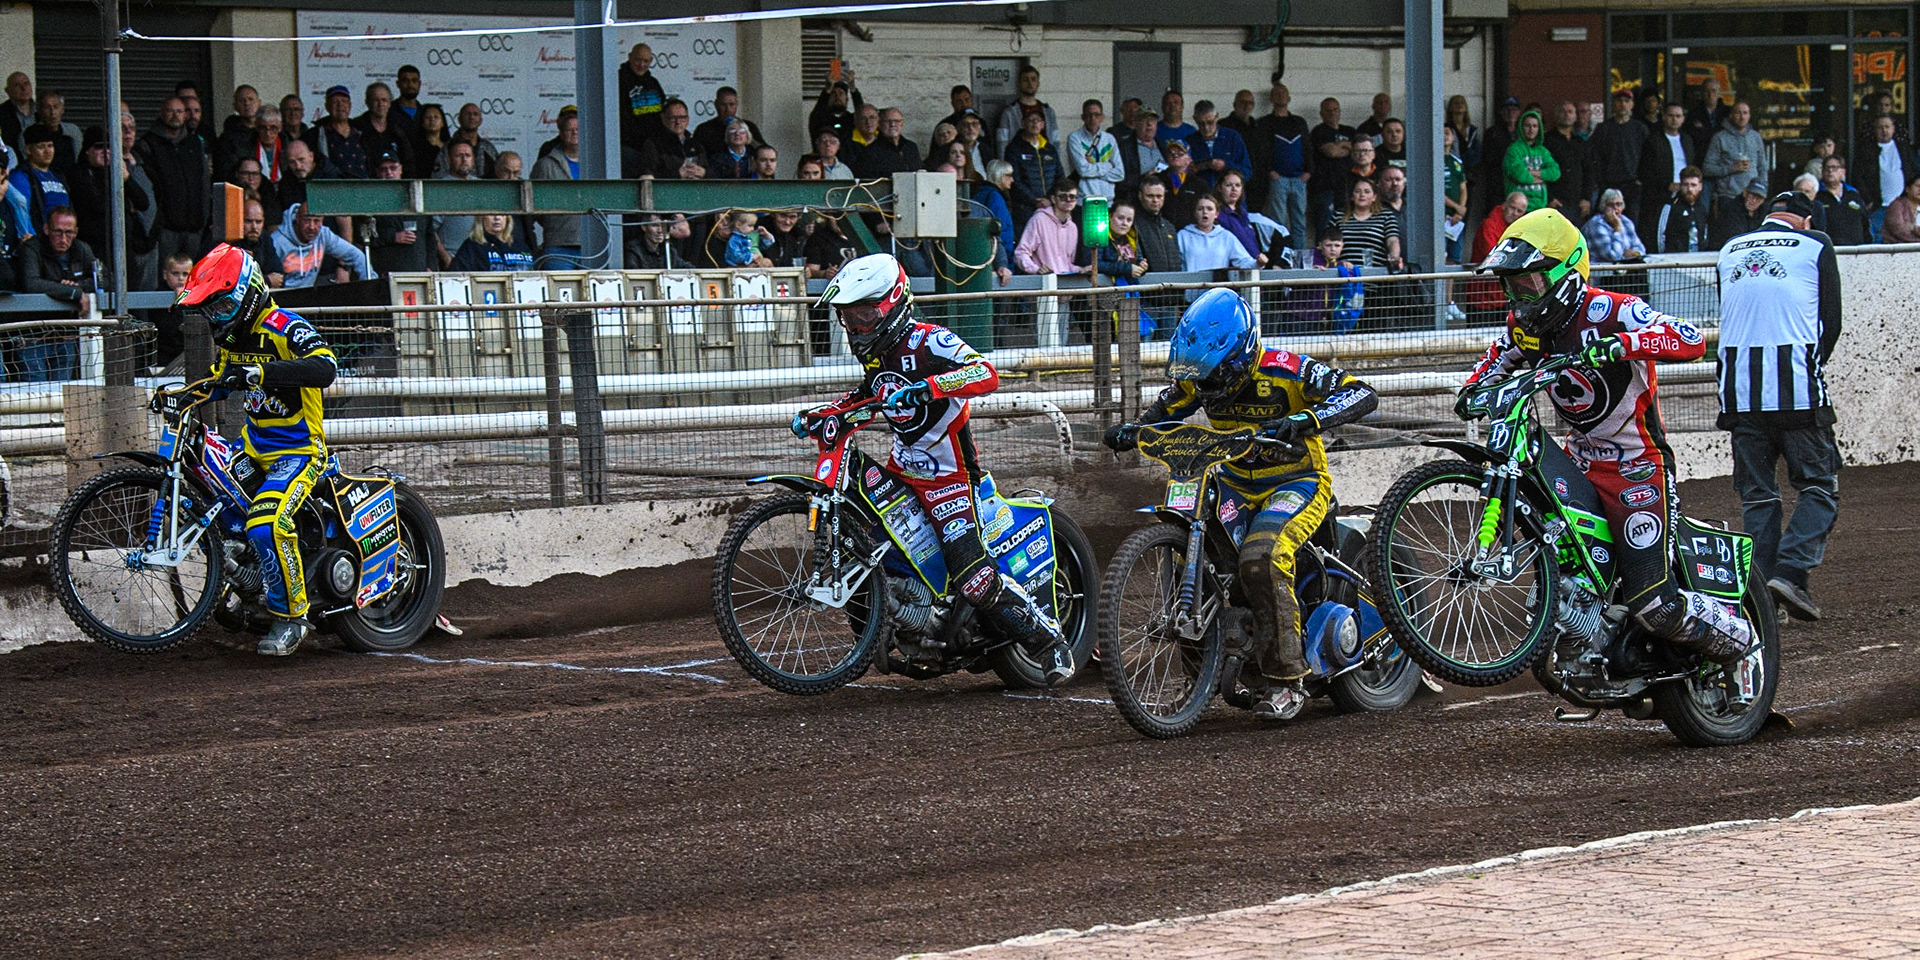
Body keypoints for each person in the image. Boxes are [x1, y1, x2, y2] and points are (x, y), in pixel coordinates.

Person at [1463, 208, 1752, 666]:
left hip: (1637, 467)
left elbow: (1692, 338)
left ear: (1565, 273)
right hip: (1579, 463)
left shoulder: (1612, 310)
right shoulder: (1525, 327)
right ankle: (1590, 632)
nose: (1520, 297)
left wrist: (1624, 343)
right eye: (1512, 286)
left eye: (1529, 283)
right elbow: (1493, 362)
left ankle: (1742, 642)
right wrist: (1471, 391)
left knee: (1655, 604)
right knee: (1560, 575)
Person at [1103, 288, 1380, 718]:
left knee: (1261, 557)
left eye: (1215, 376)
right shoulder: (1199, 376)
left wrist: (1303, 420)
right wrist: (1132, 429)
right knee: (1191, 560)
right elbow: (1164, 410)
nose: (1206, 388)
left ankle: (1287, 680)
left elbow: (1361, 393)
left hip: (1297, 482)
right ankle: (1198, 678)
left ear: (1242, 355)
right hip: (1232, 483)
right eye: (1200, 378)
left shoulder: (1287, 371)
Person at [810, 253, 1074, 684]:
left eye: (863, 314)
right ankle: (897, 625)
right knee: (867, 547)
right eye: (848, 318)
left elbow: (986, 374)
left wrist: (928, 388)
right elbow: (869, 392)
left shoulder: (929, 341)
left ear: (893, 303)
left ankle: (1049, 643)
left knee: (973, 578)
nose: (856, 326)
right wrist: (829, 412)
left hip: (951, 481)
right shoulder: (877, 353)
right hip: (904, 473)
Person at [173, 244, 339, 656]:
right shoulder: (235, 339)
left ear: (249, 293)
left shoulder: (285, 325)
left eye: (223, 305)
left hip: (299, 452)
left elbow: (326, 367)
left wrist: (263, 372)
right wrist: (179, 395)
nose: (218, 316)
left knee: (266, 523)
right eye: (211, 309)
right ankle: (253, 584)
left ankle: (292, 618)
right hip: (252, 450)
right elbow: (220, 379)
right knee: (218, 503)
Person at [1713, 191, 1842, 621]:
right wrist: (1807, 366)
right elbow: (1830, 323)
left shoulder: (1730, 249)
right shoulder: (1817, 243)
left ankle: (1762, 603)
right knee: (1820, 487)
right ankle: (1791, 571)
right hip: (1798, 393)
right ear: (1805, 221)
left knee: (1758, 497)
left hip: (1739, 395)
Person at [16, 206, 94, 380]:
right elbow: (32, 284)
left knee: (64, 394)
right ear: (46, 229)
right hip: (33, 335)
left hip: (65, 333)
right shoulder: (32, 247)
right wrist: (72, 292)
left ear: (76, 232)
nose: (63, 239)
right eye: (57, 232)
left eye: (69, 233)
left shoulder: (81, 249)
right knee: (34, 395)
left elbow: (104, 280)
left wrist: (78, 286)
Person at [264, 203, 376, 288]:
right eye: (307, 220)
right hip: (283, 301)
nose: (312, 227)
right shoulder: (277, 241)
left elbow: (355, 255)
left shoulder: (323, 234)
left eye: (316, 221)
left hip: (309, 298)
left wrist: (372, 286)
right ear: (297, 218)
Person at [1255, 82, 1311, 250]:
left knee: (1299, 222)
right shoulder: (1264, 123)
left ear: (1289, 98)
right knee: (1278, 222)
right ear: (1271, 99)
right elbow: (1261, 151)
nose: (1280, 96)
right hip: (1278, 179)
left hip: (1299, 178)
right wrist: (1270, 172)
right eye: (1276, 93)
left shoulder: (1299, 122)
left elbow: (1307, 147)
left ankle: (1299, 259)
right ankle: (1280, 257)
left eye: (1284, 93)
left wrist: (1309, 171)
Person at [1636, 102, 1697, 252]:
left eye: (1678, 116)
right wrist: (1667, 185)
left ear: (1683, 119)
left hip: (1685, 193)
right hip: (1661, 196)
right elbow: (1644, 171)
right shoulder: (1653, 141)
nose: (1674, 119)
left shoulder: (1687, 140)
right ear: (1663, 117)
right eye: (1670, 115)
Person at [532, 113, 583, 266]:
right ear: (560, 133)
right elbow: (535, 206)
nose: (575, 132)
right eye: (569, 129)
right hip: (558, 245)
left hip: (593, 243)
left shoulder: (597, 162)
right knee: (560, 289)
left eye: (578, 129)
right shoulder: (546, 165)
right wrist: (556, 222)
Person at [1856, 115, 1917, 237]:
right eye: (1880, 127)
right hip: (1878, 207)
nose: (1884, 131)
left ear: (1893, 128)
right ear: (1875, 130)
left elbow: (1914, 173)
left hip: (1903, 206)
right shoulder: (1866, 150)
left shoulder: (1904, 149)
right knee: (1877, 239)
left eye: (1887, 127)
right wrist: (1868, 200)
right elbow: (1858, 177)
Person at [1003, 109, 1062, 232]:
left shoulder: (1049, 149)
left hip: (1049, 207)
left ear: (1043, 124)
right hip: (1024, 209)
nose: (1035, 123)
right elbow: (1015, 180)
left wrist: (1051, 200)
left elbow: (1060, 177)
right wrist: (1035, 201)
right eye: (1031, 120)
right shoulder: (1014, 148)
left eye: (1038, 120)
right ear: (1023, 123)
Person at [1702, 102, 1767, 212]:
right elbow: (1707, 168)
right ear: (1731, 115)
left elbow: (1762, 167)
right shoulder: (1720, 138)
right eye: (1738, 113)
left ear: (1749, 116)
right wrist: (1730, 168)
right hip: (1728, 196)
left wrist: (1763, 190)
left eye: (1745, 113)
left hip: (1753, 197)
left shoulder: (1755, 137)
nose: (1742, 117)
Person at [1013, 179, 1087, 276]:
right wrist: (1036, 269)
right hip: (1043, 283)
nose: (1068, 200)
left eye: (1072, 197)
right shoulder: (1039, 219)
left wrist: (1081, 270)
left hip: (1064, 284)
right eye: (1063, 196)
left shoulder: (1072, 227)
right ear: (1053, 199)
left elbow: (1066, 264)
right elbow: (1020, 253)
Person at [7, 124, 71, 236]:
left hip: (63, 239)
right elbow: (22, 212)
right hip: (39, 240)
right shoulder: (21, 175)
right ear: (28, 149)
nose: (47, 151)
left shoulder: (59, 175)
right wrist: (32, 242)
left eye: (50, 146)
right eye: (41, 147)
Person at [1177, 194, 1257, 279]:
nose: (1205, 212)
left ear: (1216, 214)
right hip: (1191, 289)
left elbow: (1244, 261)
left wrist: (1258, 263)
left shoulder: (1226, 236)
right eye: (1200, 209)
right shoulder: (1183, 235)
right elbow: (1176, 265)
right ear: (1195, 213)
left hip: (1217, 290)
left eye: (1209, 209)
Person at [1309, 98, 1357, 234]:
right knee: (1325, 228)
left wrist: (1339, 146)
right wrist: (1346, 146)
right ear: (1321, 113)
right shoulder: (1319, 131)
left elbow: (1358, 152)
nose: (1332, 113)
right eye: (1328, 110)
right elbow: (1331, 152)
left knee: (1348, 228)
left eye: (1335, 110)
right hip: (1325, 188)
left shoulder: (1350, 131)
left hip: (1349, 188)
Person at [1332, 177, 1400, 269]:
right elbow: (1328, 242)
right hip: (1343, 274)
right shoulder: (1338, 216)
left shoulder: (1386, 216)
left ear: (1374, 197)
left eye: (1367, 191)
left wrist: (1394, 256)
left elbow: (1392, 240)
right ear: (1352, 196)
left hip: (1373, 274)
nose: (1362, 195)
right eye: (1357, 191)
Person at [1544, 101, 1593, 221]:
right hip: (1555, 202)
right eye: (1562, 111)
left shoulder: (1580, 142)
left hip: (1577, 204)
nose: (1566, 115)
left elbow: (1589, 171)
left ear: (1575, 116)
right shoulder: (1546, 141)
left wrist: (1586, 198)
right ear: (1556, 116)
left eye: (1570, 112)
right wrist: (1549, 198)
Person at [994, 65, 1058, 157]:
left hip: (1045, 162)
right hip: (1019, 163)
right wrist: (1005, 168)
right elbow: (1001, 143)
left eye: (1033, 79)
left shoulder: (1048, 112)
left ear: (1038, 83)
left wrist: (1056, 163)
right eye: (1025, 80)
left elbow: (1055, 141)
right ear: (1019, 84)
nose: (1029, 83)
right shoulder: (1009, 113)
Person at [1503, 108, 1560, 212]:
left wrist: (1531, 172)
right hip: (1518, 209)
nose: (1531, 129)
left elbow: (1555, 173)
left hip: (1540, 207)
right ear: (1521, 127)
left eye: (1535, 126)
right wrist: (1543, 178)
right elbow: (1520, 175)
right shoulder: (1514, 150)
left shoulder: (1543, 151)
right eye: (1527, 126)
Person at [1065, 99, 1123, 200]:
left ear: (1102, 118)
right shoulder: (1075, 138)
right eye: (1089, 115)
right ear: (1082, 117)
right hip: (1084, 199)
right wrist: (1109, 165)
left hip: (1107, 199)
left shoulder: (1109, 138)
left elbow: (1120, 173)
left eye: (1097, 115)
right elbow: (1083, 171)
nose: (1093, 119)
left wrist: (1091, 171)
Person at [638, 100, 705, 180]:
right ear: (663, 118)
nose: (678, 122)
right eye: (673, 118)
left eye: (682, 117)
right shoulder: (653, 144)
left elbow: (713, 175)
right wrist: (677, 175)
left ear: (687, 120)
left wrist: (704, 173)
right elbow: (647, 177)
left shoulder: (696, 144)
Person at [618, 43, 667, 153]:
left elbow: (663, 112)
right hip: (628, 146)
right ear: (629, 57)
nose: (641, 64)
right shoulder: (618, 80)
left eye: (646, 61)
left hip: (653, 146)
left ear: (651, 61)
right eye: (637, 60)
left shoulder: (653, 83)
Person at [693, 86, 764, 160]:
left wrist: (747, 135)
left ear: (736, 105)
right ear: (716, 105)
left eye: (732, 104)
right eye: (723, 105)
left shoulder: (749, 126)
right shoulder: (704, 129)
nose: (728, 109)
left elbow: (764, 150)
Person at [1815, 156, 1872, 245]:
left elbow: (1865, 223)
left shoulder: (1853, 195)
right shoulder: (1816, 195)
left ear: (1843, 171)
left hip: (1856, 250)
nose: (1830, 171)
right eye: (1827, 167)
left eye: (1834, 168)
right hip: (1829, 249)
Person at [1654, 166, 1710, 253]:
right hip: (1674, 261)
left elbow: (1705, 235)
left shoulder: (1702, 209)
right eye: (1685, 185)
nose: (1689, 189)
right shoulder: (1670, 207)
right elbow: (1660, 237)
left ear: (1700, 187)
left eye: (1693, 185)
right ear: (1680, 186)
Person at [1582, 188, 1645, 263]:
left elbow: (1641, 249)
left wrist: (1635, 253)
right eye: (1611, 205)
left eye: (1619, 204)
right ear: (1603, 206)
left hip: (1623, 269)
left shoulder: (1626, 221)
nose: (1615, 208)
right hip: (1601, 270)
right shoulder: (1596, 224)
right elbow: (1613, 256)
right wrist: (1617, 228)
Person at [1710, 178, 1769, 250]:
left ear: (1763, 201)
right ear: (1745, 192)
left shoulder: (1764, 211)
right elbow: (1737, 239)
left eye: (1759, 198)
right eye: (1752, 195)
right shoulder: (1731, 209)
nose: (1754, 201)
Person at [451, 102, 500, 179]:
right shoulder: (449, 146)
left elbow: (499, 173)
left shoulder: (488, 148)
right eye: (467, 114)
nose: (471, 117)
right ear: (459, 119)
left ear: (480, 120)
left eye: (475, 114)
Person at [1881, 172, 1920, 244]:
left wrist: (1913, 228)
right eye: (1918, 186)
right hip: (1895, 250)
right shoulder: (1897, 205)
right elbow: (1899, 229)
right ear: (1907, 189)